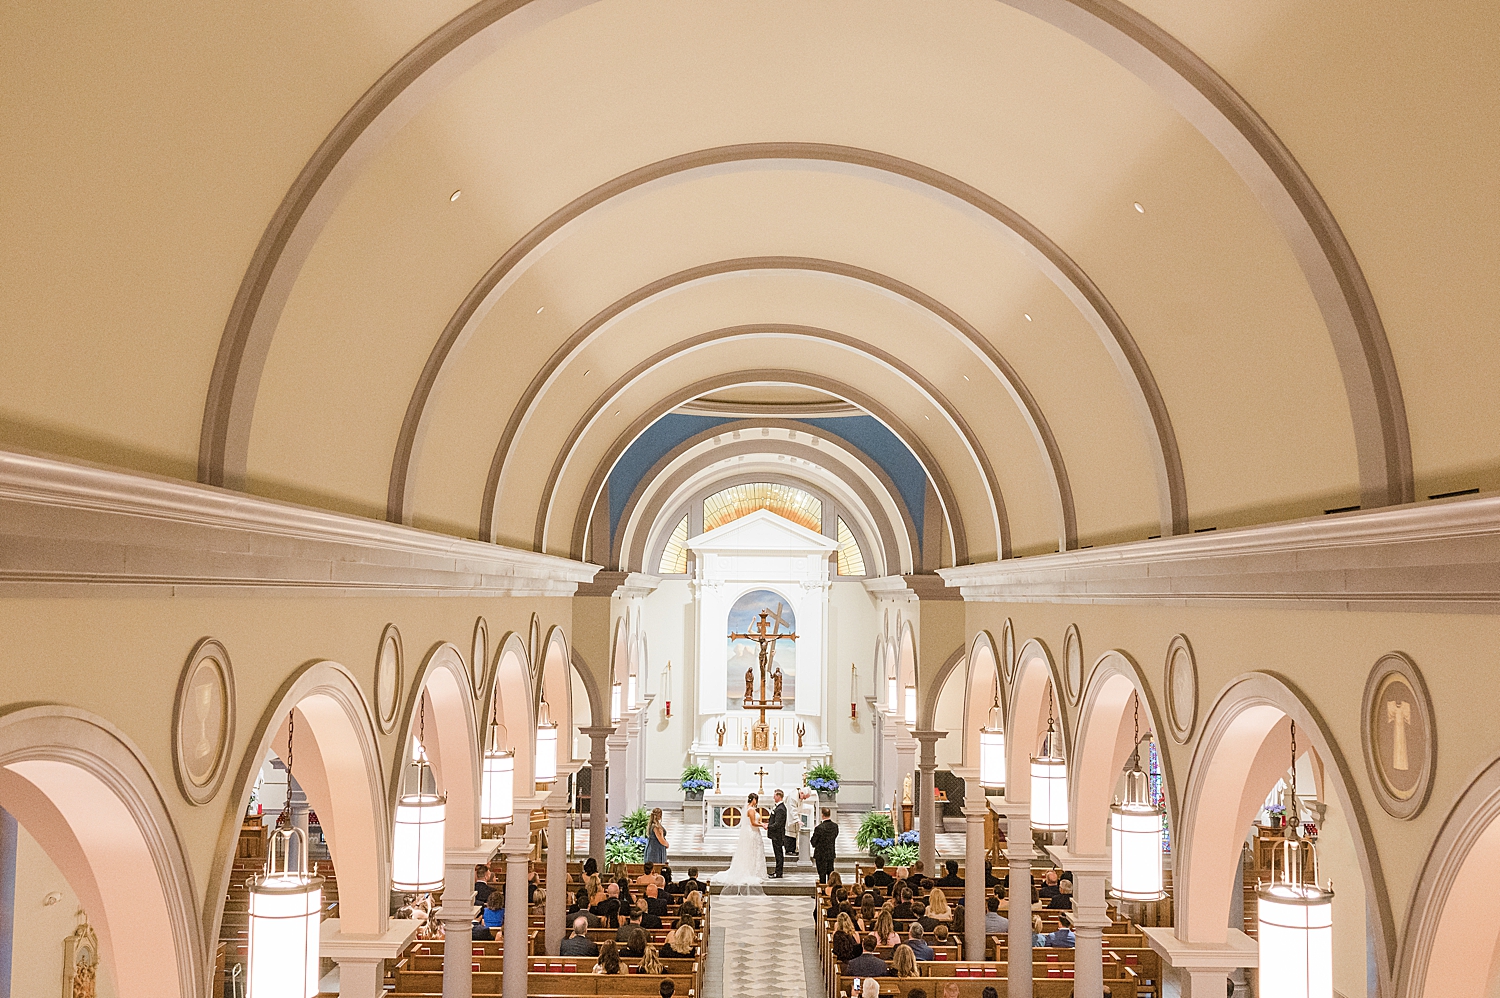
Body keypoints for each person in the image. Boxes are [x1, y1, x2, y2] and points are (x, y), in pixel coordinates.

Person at [717, 793, 768, 891]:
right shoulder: (751, 810)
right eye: (756, 799)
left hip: (753, 831)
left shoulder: (749, 808)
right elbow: (753, 823)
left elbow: (754, 822)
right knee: (753, 851)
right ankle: (753, 871)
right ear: (753, 800)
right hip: (753, 832)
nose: (757, 801)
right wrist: (763, 826)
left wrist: (762, 823)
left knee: (753, 851)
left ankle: (753, 869)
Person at [810, 807, 840, 884]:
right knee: (830, 873)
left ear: (822, 815)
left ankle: (822, 891)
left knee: (822, 874)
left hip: (821, 855)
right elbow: (835, 836)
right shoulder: (835, 826)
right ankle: (830, 890)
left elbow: (813, 842)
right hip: (830, 853)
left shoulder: (819, 828)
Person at [767, 790, 789, 877]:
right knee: (777, 854)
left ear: (779, 796)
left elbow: (778, 824)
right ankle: (777, 871)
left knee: (779, 854)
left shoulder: (780, 809)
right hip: (776, 835)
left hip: (777, 835)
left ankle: (778, 873)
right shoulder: (779, 807)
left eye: (775, 795)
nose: (773, 797)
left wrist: (768, 827)